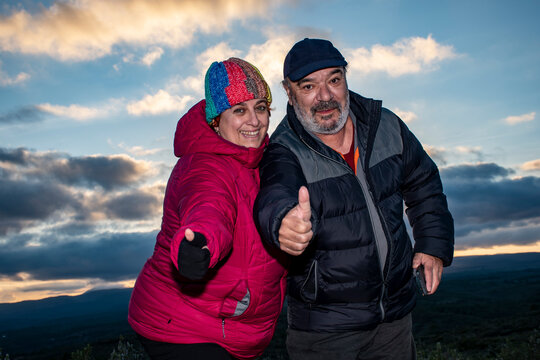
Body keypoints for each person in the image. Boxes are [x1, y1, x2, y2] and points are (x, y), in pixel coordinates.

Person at [254, 38, 454, 360]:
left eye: (334, 80)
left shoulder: (385, 125)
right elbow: (274, 197)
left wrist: (432, 244)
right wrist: (282, 223)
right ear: (289, 93)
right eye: (308, 87)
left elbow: (424, 182)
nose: (325, 97)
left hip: (394, 318)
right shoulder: (283, 151)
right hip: (324, 333)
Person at [128, 57, 287, 360]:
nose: (254, 121)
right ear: (216, 121)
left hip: (228, 328)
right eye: (239, 110)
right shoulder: (206, 164)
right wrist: (200, 243)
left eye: (261, 107)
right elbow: (209, 208)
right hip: (183, 327)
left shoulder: (263, 161)